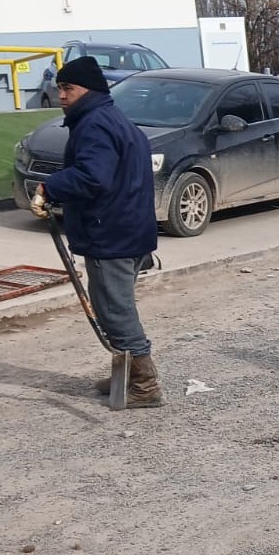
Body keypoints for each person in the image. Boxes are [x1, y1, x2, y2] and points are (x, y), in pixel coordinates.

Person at [29, 55, 163, 408]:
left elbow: (93, 176)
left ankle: (145, 385)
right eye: (59, 88)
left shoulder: (94, 124)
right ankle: (128, 374)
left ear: (87, 90)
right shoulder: (108, 117)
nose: (61, 95)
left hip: (112, 234)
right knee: (110, 306)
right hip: (125, 228)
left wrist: (48, 188)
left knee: (114, 310)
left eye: (67, 88)